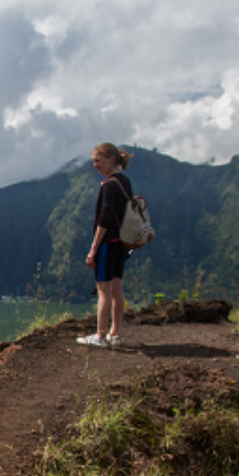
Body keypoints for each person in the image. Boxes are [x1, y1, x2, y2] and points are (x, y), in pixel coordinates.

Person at [79, 142, 136, 347]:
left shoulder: (109, 185)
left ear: (111, 159)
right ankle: (115, 333)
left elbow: (104, 218)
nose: (95, 165)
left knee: (104, 290)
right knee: (117, 288)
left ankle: (100, 336)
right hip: (122, 243)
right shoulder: (124, 181)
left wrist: (94, 248)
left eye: (98, 160)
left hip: (107, 244)